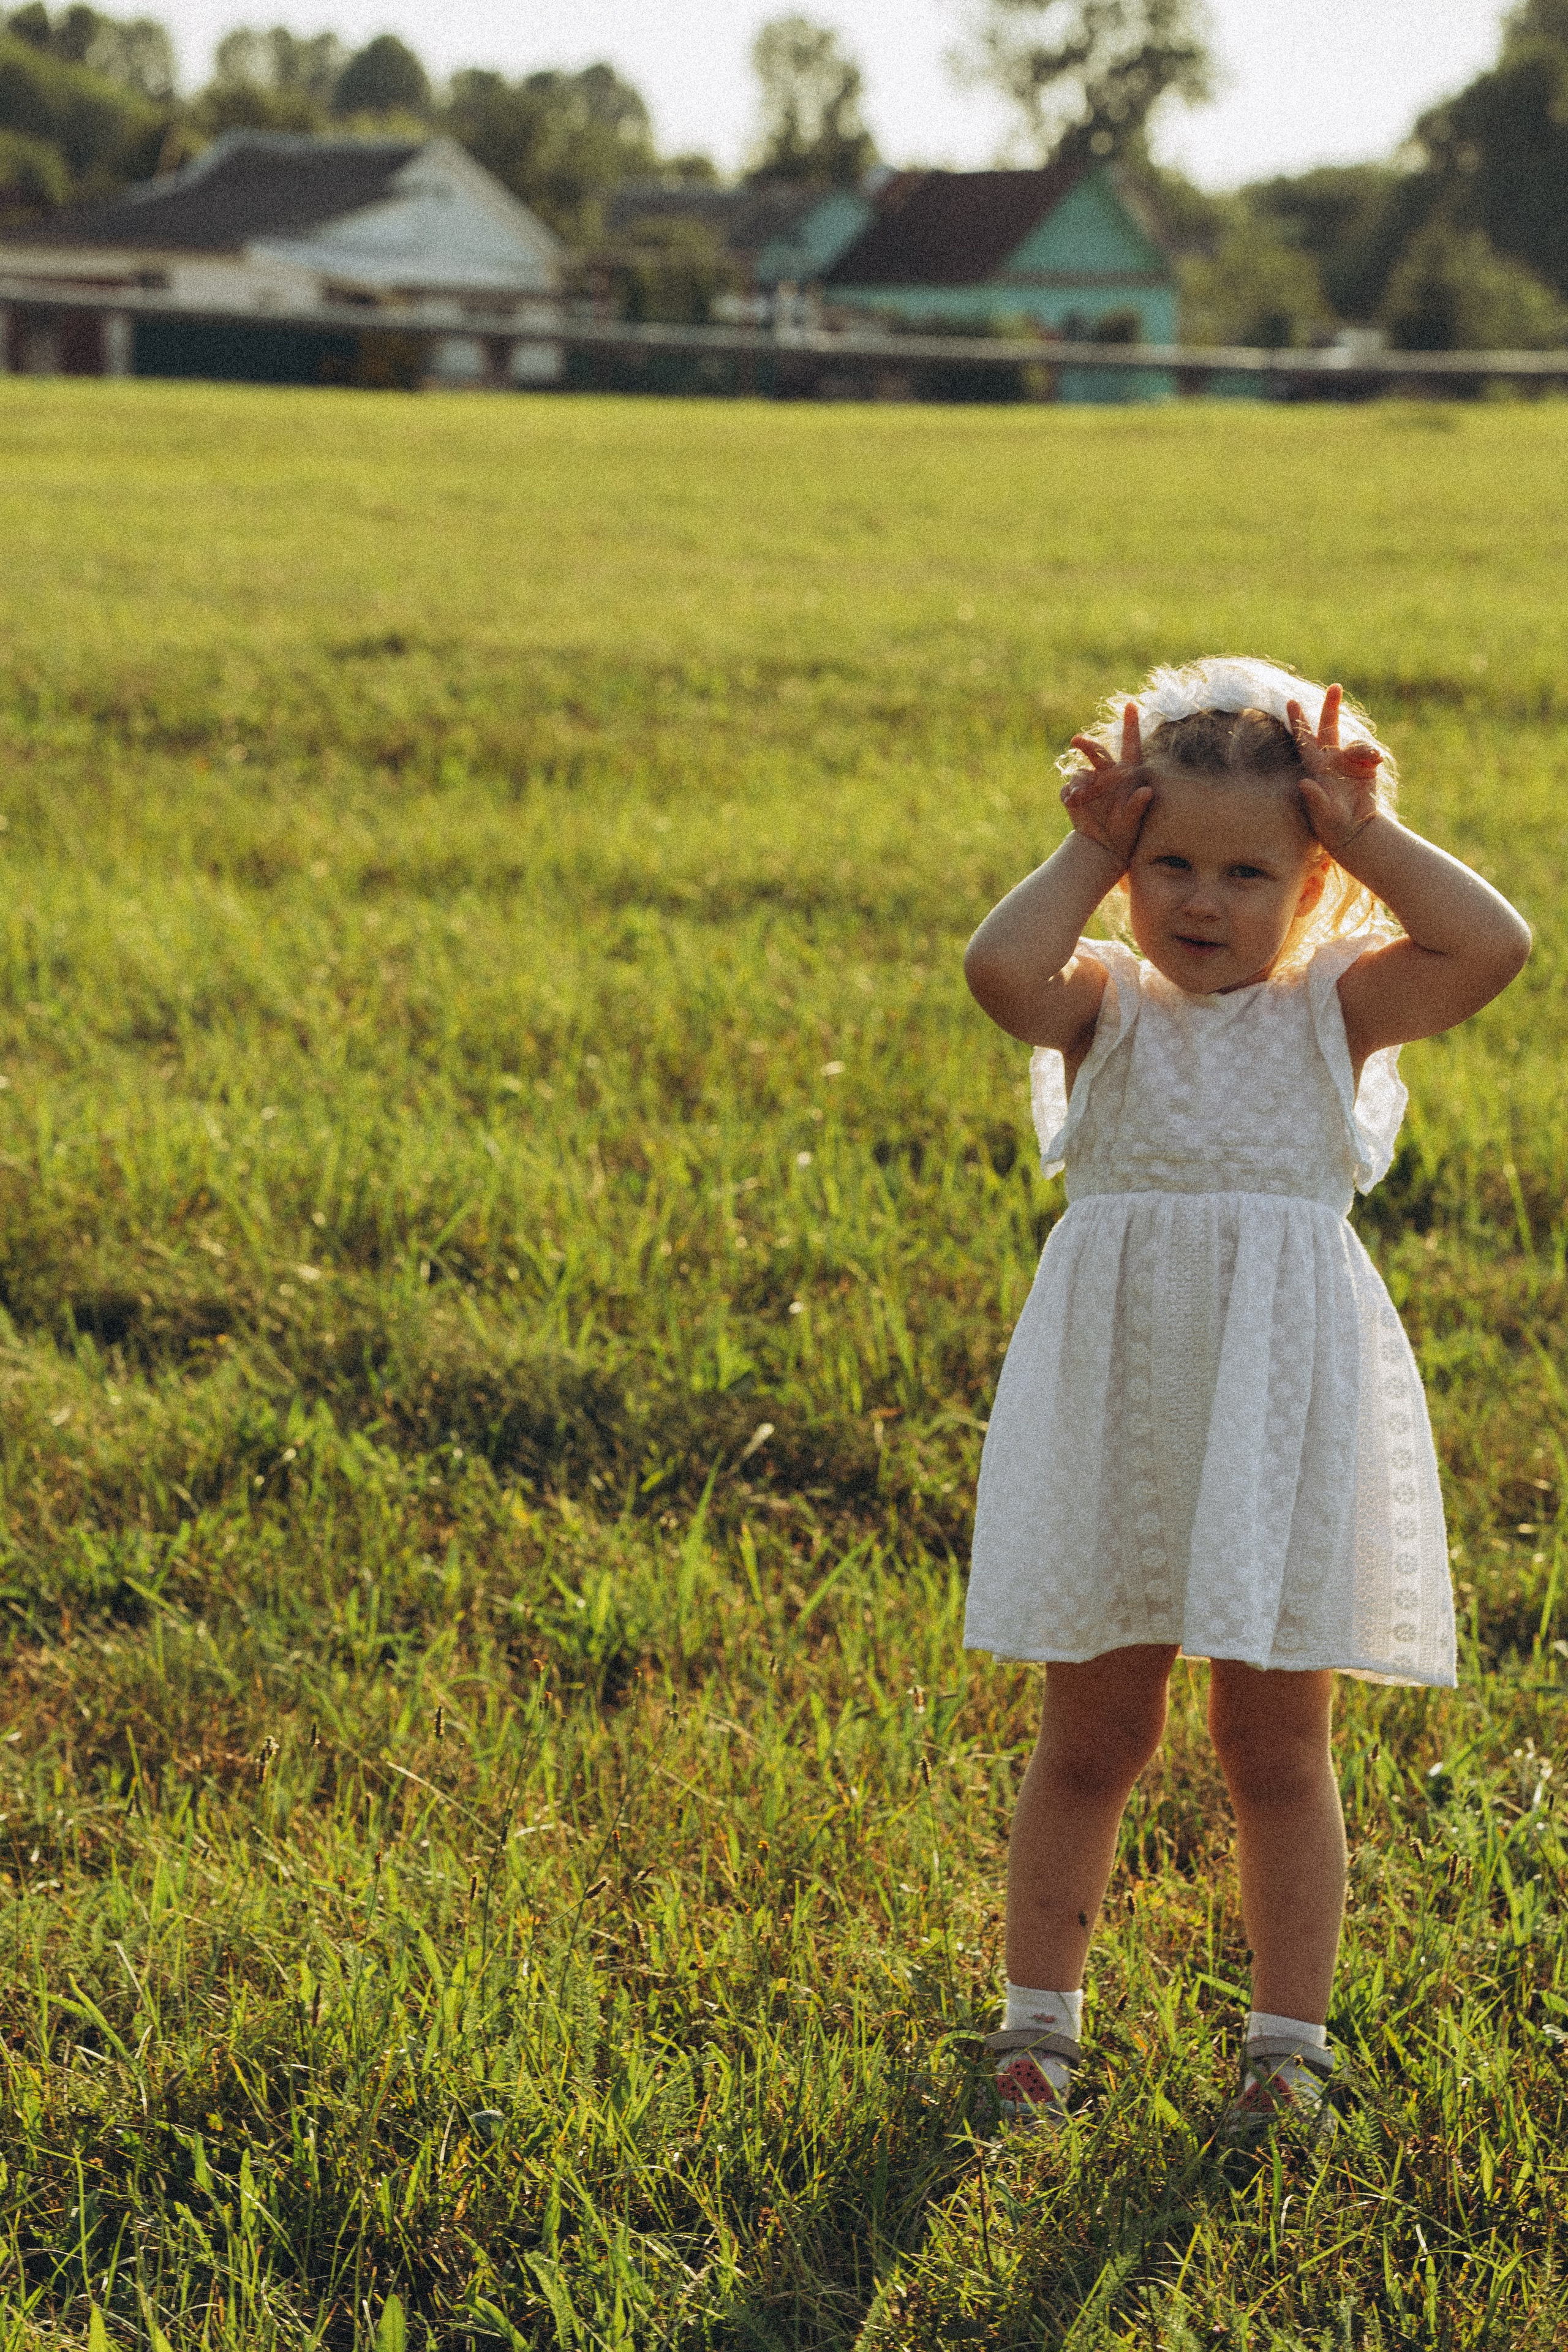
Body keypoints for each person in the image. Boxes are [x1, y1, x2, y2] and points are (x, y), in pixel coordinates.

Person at [960, 655, 1531, 2143]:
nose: (1201, 902)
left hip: (1274, 1411)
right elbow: (995, 975)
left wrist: (1361, 832)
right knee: (1091, 1737)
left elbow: (1494, 944)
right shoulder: (1105, 1002)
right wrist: (1085, 849)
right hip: (1120, 1406)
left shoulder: (1334, 1006)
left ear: (1310, 881)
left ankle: (1283, 2051)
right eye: (1167, 865)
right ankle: (1037, 2035)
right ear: (1125, 863)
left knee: (1272, 1746)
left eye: (1246, 871)